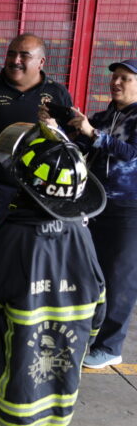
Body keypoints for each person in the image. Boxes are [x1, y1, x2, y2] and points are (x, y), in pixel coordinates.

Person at [0, 122, 106, 426]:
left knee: (19, 371)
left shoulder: (12, 236)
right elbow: (99, 292)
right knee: (48, 378)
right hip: (69, 335)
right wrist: (90, 335)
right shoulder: (81, 233)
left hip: (19, 335)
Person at [62, 59, 137, 369]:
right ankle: (87, 336)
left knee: (120, 277)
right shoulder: (103, 117)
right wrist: (59, 128)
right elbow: (79, 146)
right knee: (89, 273)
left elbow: (131, 154)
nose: (116, 82)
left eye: (125, 78)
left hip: (129, 208)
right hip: (94, 204)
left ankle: (110, 346)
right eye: (114, 77)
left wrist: (93, 133)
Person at [0, 34, 73, 216]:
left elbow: (70, 140)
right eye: (11, 54)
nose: (15, 60)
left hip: (40, 188)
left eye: (24, 55)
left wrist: (54, 129)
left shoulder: (58, 93)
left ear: (41, 62)